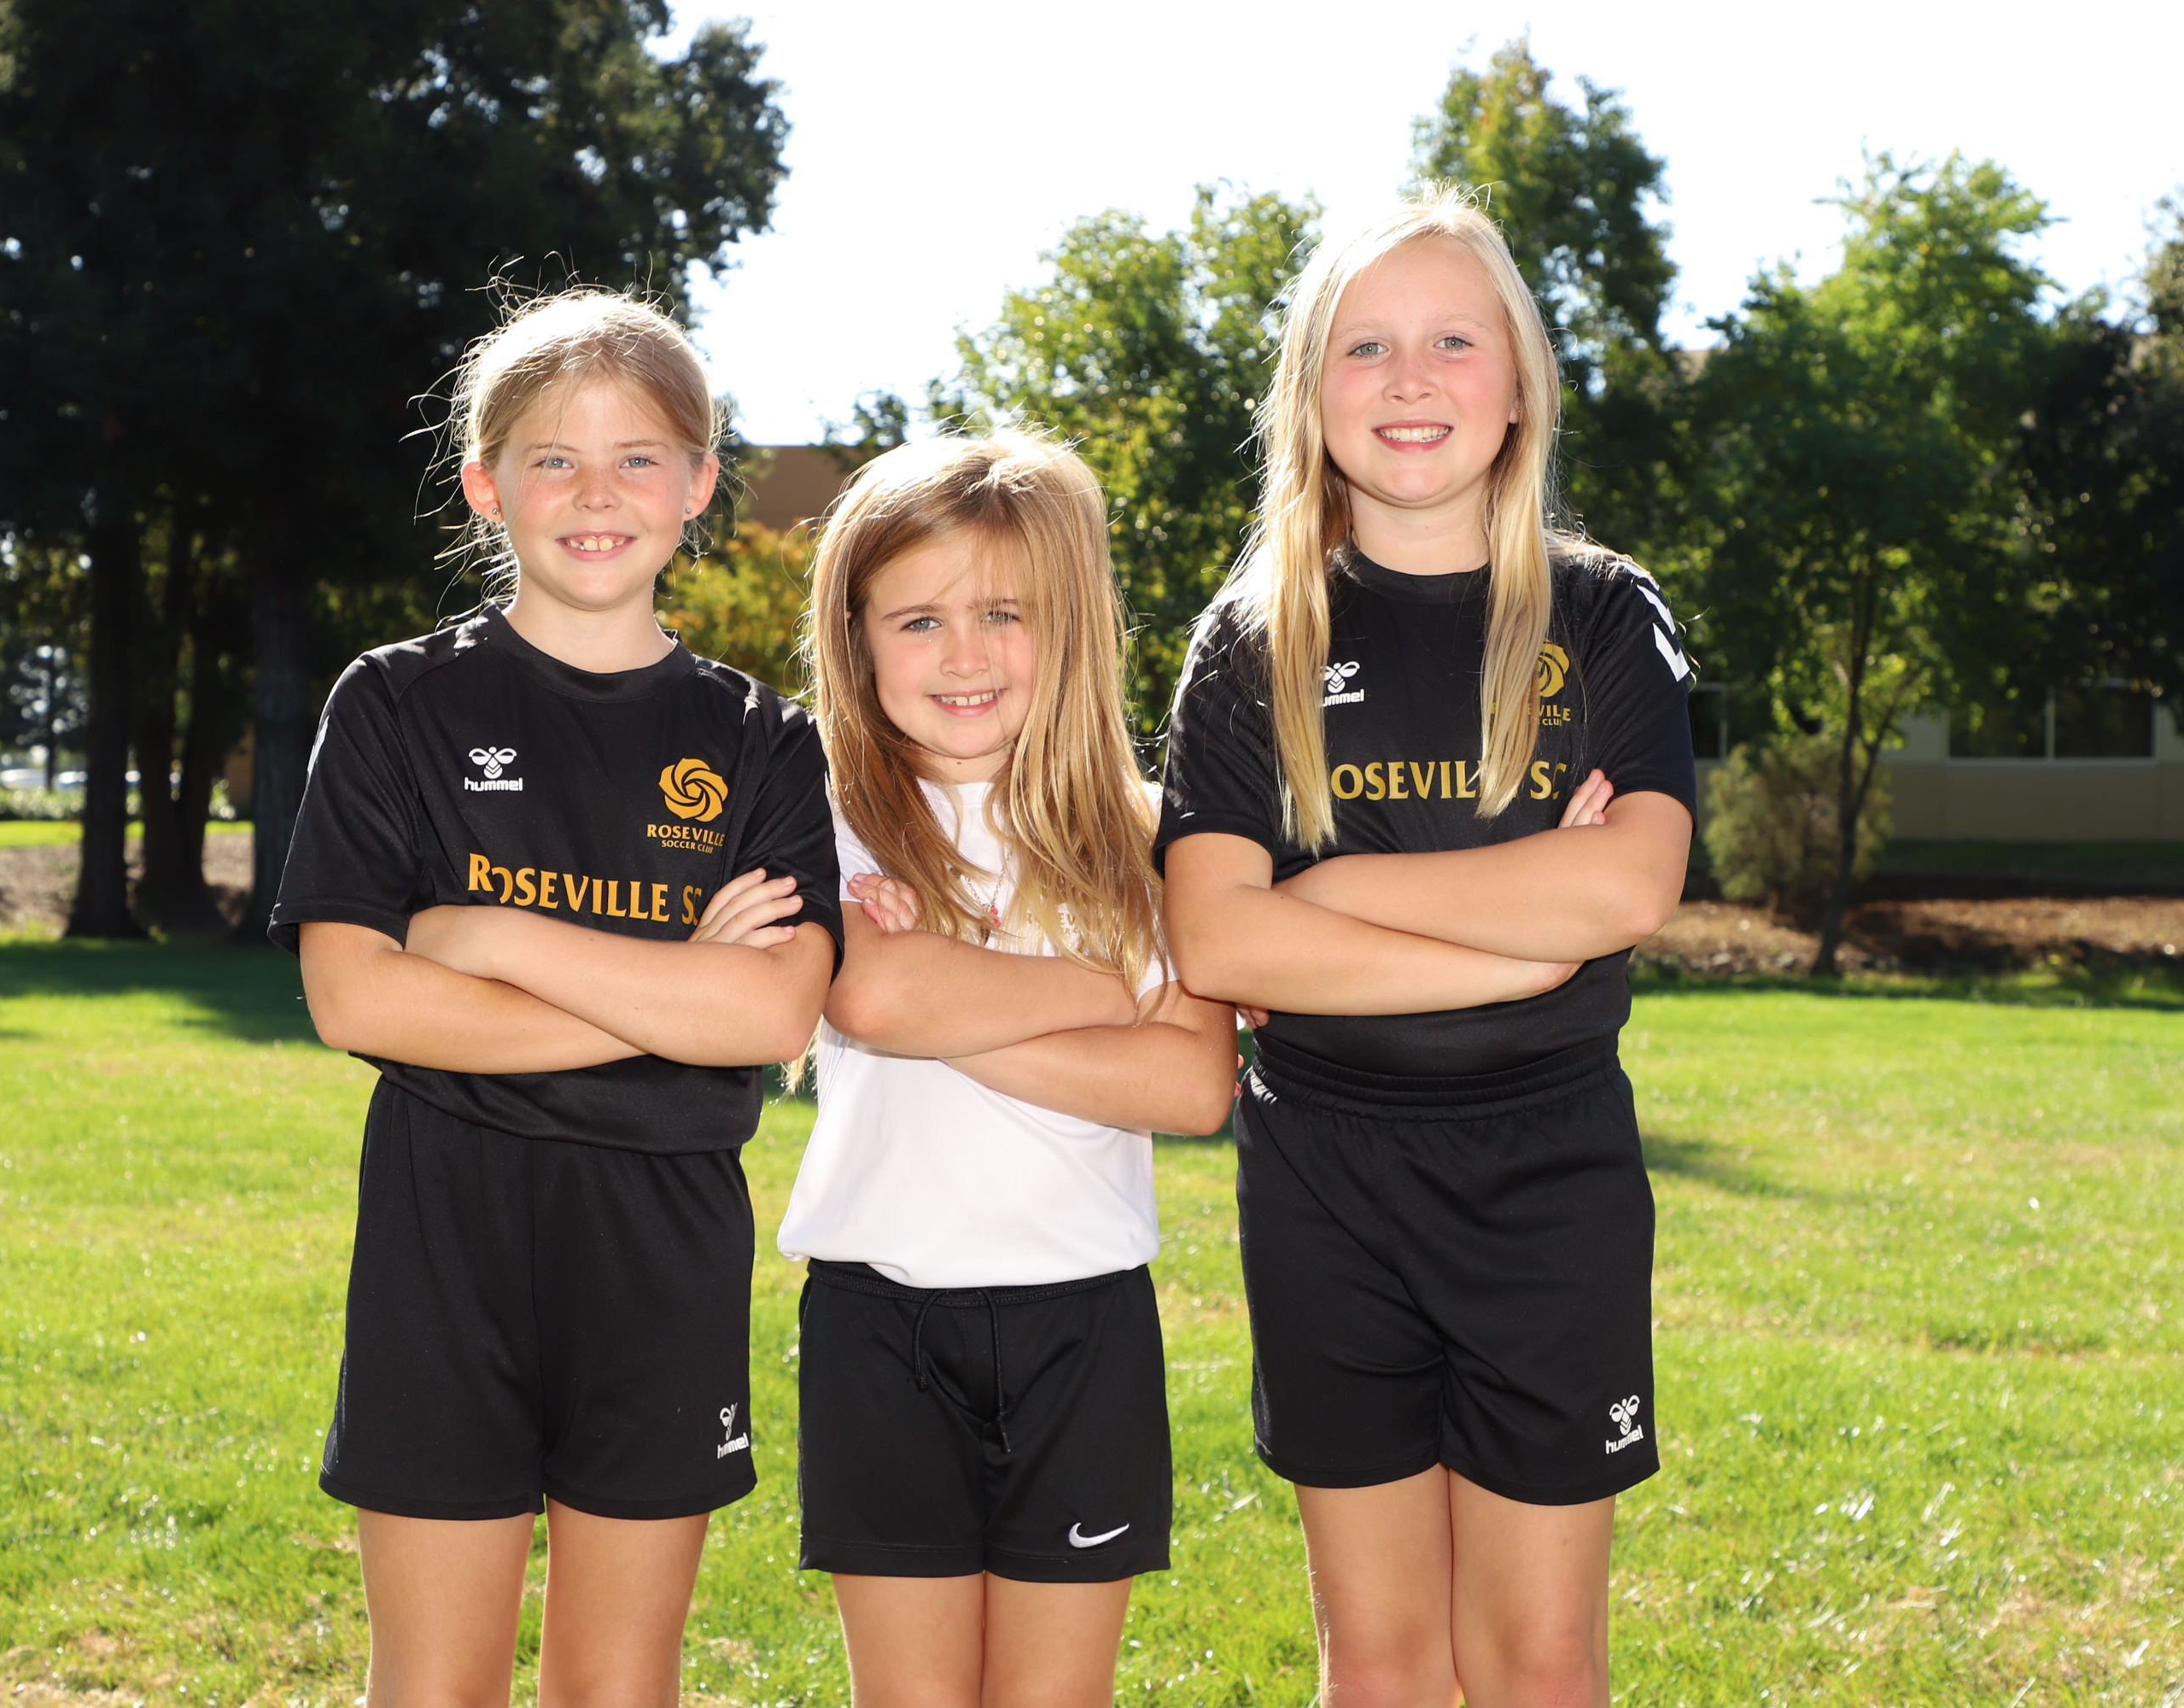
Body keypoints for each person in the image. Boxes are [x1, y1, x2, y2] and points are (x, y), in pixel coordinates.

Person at [1157, 187, 1697, 1708]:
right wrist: (1520, 942)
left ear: (1518, 382)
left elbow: (1631, 887)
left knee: (1537, 1661)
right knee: (1382, 1662)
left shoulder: (1601, 613)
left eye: (1455, 341)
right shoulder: (1252, 638)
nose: (1410, 381)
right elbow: (1215, 936)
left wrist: (1330, 898)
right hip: (1326, 1181)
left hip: (1550, 1178)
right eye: (1366, 346)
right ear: (1309, 392)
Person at [269, 288, 841, 1708]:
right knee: (433, 1684)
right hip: (442, 1241)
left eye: (639, 458)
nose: (598, 495)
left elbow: (772, 1020)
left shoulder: (764, 743)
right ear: (486, 485)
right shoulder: (395, 704)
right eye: (554, 460)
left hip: (664, 1255)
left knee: (619, 1685)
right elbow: (357, 999)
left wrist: (488, 934)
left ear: (700, 484)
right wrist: (676, 991)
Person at [777, 432, 1238, 1708]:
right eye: (918, 620)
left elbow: (1192, 1087)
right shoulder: (822, 813)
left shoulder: (1145, 835)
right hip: (879, 1315)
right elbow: (874, 996)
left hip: (1083, 1321)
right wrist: (1104, 995)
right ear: (857, 638)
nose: (964, 656)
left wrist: (952, 997)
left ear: (1069, 624)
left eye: (1004, 614)